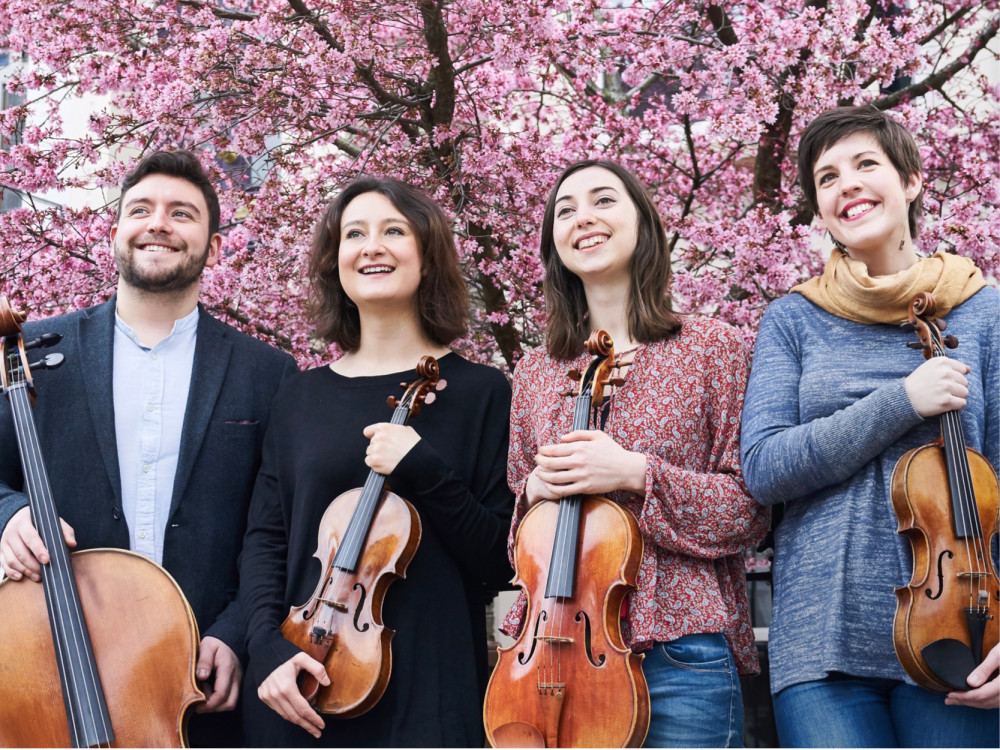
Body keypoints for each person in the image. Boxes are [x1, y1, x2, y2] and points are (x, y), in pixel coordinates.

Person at [0, 149, 298, 746]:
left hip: (199, 680)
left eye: (182, 213)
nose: (159, 223)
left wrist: (236, 630)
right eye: (142, 209)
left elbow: (280, 527)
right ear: (115, 236)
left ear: (214, 247)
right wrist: (8, 518)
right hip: (53, 665)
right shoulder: (29, 352)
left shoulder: (268, 373)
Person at [741, 105, 999, 747]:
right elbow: (765, 467)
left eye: (865, 165)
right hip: (822, 637)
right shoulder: (792, 320)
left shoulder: (985, 311)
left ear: (910, 180)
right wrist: (901, 401)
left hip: (963, 630)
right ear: (819, 209)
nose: (846, 185)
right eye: (827, 178)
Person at [500, 159, 770, 748]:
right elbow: (522, 540)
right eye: (564, 210)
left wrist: (635, 473)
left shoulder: (714, 348)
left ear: (643, 223)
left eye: (603, 201)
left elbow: (749, 512)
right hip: (551, 656)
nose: (583, 219)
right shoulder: (535, 372)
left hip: (682, 652)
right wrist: (534, 495)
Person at [238, 176, 514, 747]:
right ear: (335, 261)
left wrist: (425, 470)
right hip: (299, 685)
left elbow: (499, 560)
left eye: (394, 230)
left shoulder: (483, 393)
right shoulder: (298, 396)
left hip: (429, 700)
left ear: (428, 256)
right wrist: (268, 651)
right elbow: (267, 540)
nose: (372, 246)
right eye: (354, 234)